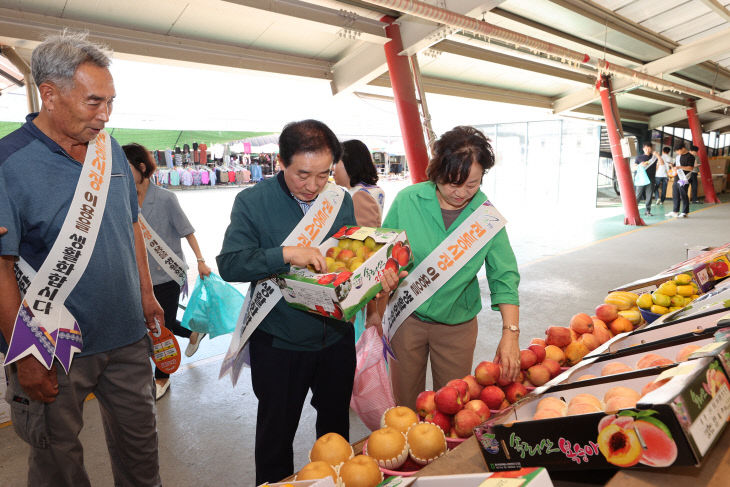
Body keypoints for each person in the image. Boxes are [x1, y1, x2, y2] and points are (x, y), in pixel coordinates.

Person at [0, 31, 162, 486]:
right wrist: (24, 354)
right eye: (94, 102)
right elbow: (1, 267)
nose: (105, 115)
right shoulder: (8, 164)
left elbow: (129, 226)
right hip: (52, 345)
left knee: (141, 456)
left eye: (111, 102)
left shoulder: (109, 151)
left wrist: (147, 297)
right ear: (49, 95)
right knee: (58, 466)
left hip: (128, 338)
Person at [216, 120, 398, 484]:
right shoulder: (252, 202)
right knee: (275, 436)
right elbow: (230, 263)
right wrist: (285, 254)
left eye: (324, 174)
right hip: (280, 341)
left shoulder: (339, 199)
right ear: (280, 161)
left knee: (334, 433)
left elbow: (350, 259)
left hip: (335, 338)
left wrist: (378, 277)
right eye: (303, 174)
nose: (314, 186)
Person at [381, 126, 521, 411]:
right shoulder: (408, 200)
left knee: (453, 408)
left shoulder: (485, 217)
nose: (461, 193)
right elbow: (383, 255)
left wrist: (510, 334)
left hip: (457, 325)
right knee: (405, 407)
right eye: (452, 184)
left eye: (472, 184)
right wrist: (385, 277)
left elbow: (503, 275)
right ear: (436, 173)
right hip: (407, 318)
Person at [123, 142, 212, 400]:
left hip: (167, 275)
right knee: (157, 323)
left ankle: (162, 378)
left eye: (126, 167)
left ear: (141, 167)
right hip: (139, 276)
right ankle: (194, 331)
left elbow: (188, 231)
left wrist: (200, 260)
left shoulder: (165, 198)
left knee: (160, 328)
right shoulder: (121, 199)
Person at [333, 139, 386, 227]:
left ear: (349, 162)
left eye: (336, 162)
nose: (332, 169)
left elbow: (362, 234)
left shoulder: (360, 195)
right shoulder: (370, 190)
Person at [666, 144, 694, 218]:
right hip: (676, 178)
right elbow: (676, 167)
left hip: (684, 179)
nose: (677, 153)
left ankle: (685, 212)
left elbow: (690, 168)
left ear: (683, 148)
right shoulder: (678, 157)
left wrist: (679, 167)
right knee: (675, 195)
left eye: (678, 151)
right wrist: (672, 166)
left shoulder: (690, 156)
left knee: (683, 195)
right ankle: (675, 211)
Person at [633, 141, 658, 216]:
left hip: (651, 179)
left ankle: (648, 211)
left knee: (649, 195)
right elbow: (634, 167)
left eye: (649, 148)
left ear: (651, 149)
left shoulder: (654, 157)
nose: (647, 149)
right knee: (638, 195)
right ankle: (634, 210)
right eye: (645, 148)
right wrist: (640, 165)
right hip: (641, 179)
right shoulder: (639, 157)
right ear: (643, 149)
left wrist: (658, 155)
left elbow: (662, 163)